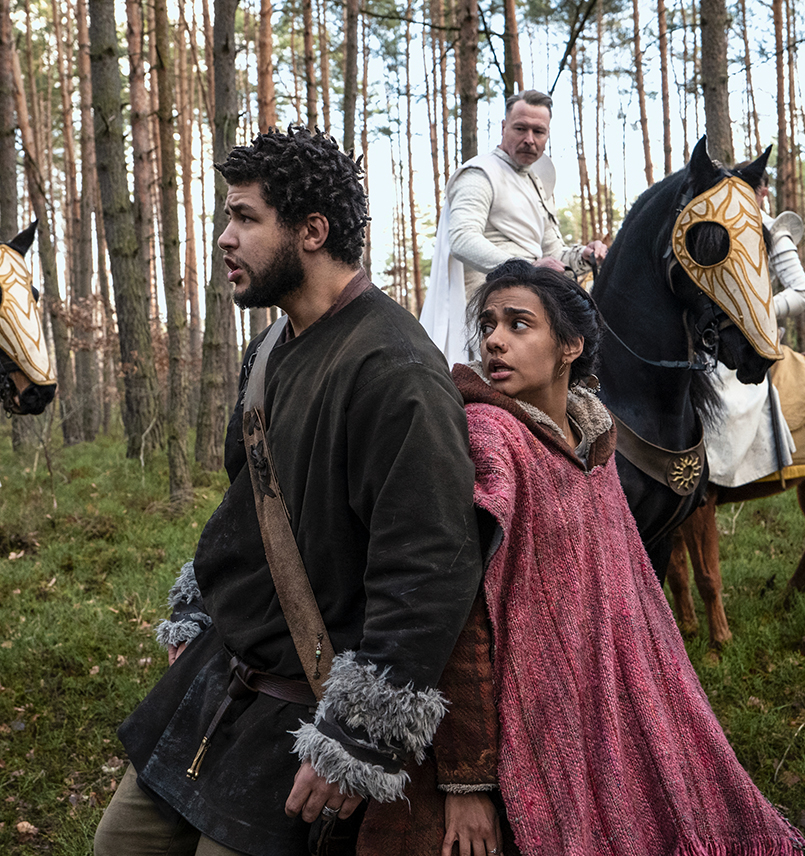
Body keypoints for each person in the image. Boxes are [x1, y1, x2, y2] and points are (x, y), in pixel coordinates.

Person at [93, 128, 485, 856]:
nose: (223, 237)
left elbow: (430, 567)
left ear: (312, 231)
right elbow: (245, 506)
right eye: (227, 216)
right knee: (120, 845)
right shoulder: (269, 350)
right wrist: (203, 609)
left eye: (245, 218)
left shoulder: (396, 372)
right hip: (215, 686)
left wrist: (354, 737)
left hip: (306, 715)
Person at [358, 260, 805, 856]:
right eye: (488, 324)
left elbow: (625, 585)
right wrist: (467, 779)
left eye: (519, 324)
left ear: (570, 345)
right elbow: (456, 611)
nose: (494, 339)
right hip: (527, 720)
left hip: (600, 701)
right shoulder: (489, 436)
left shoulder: (592, 440)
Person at [420, 90, 608, 366]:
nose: (529, 139)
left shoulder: (538, 183)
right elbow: (461, 238)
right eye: (521, 128)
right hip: (494, 306)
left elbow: (552, 251)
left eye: (539, 131)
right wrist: (528, 266)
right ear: (504, 127)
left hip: (539, 296)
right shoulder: (479, 174)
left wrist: (583, 256)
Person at [704, 168, 805, 487]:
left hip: (750, 343)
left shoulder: (775, 232)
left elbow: (801, 291)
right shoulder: (717, 231)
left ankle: (718, 475)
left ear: (763, 193)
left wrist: (755, 311)